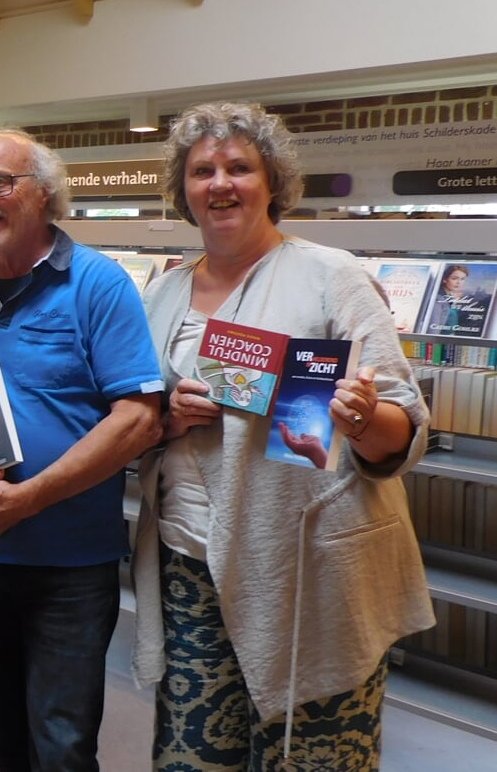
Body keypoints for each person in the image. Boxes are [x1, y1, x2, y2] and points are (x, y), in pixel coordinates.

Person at [133, 101, 434, 771]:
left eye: (238, 167)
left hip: (309, 574)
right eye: (201, 169)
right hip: (190, 566)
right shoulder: (161, 294)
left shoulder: (330, 275)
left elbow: (402, 426)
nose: (220, 183)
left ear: (271, 181)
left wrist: (359, 418)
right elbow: (136, 415)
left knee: (310, 757)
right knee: (193, 757)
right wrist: (168, 416)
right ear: (182, 188)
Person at [0, 130, 163, 772]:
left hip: (68, 568)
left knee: (63, 745)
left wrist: (26, 499)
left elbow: (137, 417)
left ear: (44, 193)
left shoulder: (99, 285)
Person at [425, 263, 469, 334]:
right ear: (445, 279)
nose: (458, 282)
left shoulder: (450, 297)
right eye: (454, 278)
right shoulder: (438, 299)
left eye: (462, 279)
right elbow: (433, 330)